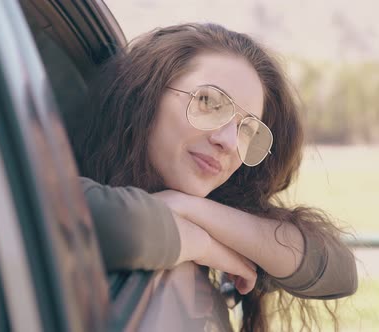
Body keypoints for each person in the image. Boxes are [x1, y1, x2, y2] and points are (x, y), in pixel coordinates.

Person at [65, 23, 357, 331]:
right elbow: (113, 226)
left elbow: (339, 272)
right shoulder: (46, 175)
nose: (229, 142)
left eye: (248, 129)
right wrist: (201, 246)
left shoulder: (217, 203)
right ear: (144, 95)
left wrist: (190, 207)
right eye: (208, 102)